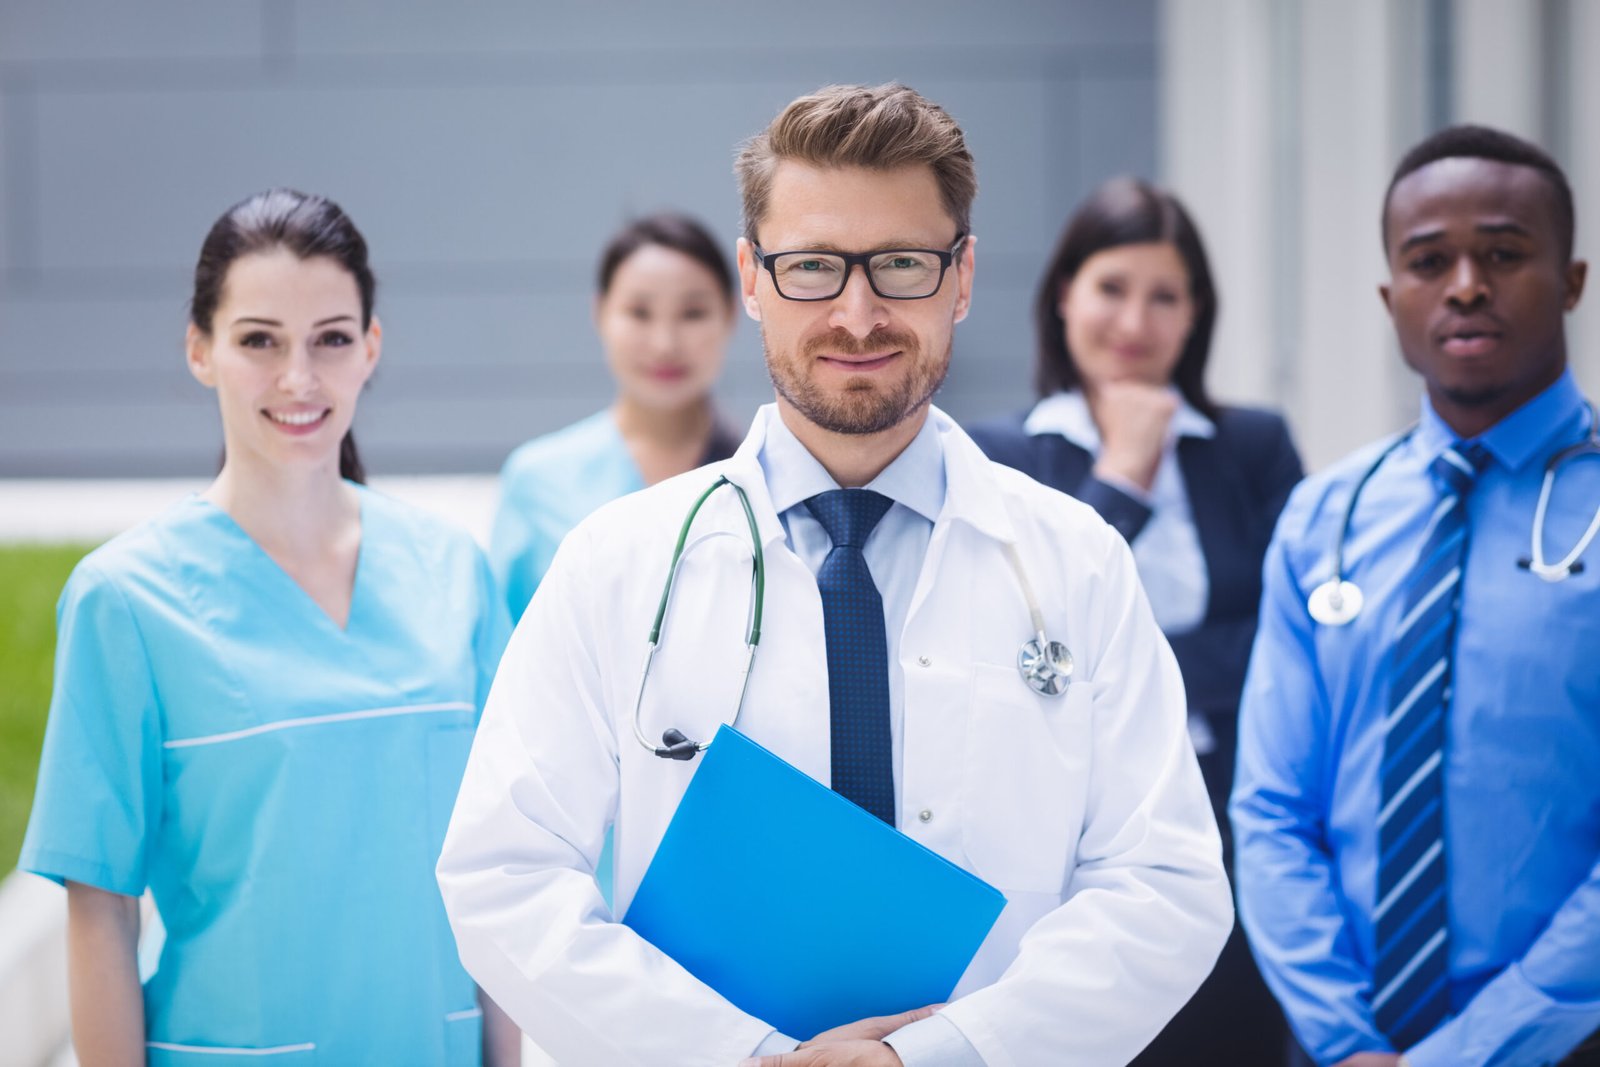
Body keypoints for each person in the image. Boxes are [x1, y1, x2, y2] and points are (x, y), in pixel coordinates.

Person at [438, 82, 1231, 1066]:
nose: (858, 314)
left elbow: (1166, 879)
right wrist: (751, 1055)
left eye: (901, 265)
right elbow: (504, 872)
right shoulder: (618, 564)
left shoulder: (1074, 563)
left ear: (962, 274)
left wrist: (945, 1051)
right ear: (753, 278)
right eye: (813, 266)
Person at [18, 189, 517, 1065]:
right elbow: (99, 905)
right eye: (259, 340)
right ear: (199, 351)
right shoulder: (126, 599)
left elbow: (499, 863)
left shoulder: (454, 572)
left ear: (370, 348)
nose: (298, 378)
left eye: (330, 338)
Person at [1232, 125, 1600, 1067]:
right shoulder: (1325, 517)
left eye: (1505, 253)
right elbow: (1273, 812)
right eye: (1430, 261)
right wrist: (1345, 1038)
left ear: (1572, 281)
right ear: (1393, 298)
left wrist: (1469, 1053)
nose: (1466, 284)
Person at [967, 176, 1301, 1065]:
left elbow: (1293, 647)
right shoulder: (1000, 455)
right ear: (1065, 296)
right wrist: (1122, 473)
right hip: (1060, 832)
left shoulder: (1254, 448)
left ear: (1196, 315)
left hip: (1234, 816)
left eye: (1165, 296)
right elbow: (1014, 648)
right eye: (1113, 287)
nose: (1135, 320)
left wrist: (1111, 675)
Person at [490, 212, 741, 626]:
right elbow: (507, 652)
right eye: (639, 313)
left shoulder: (763, 470)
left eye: (693, 313)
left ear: (732, 313)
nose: (664, 344)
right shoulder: (537, 481)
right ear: (600, 312)